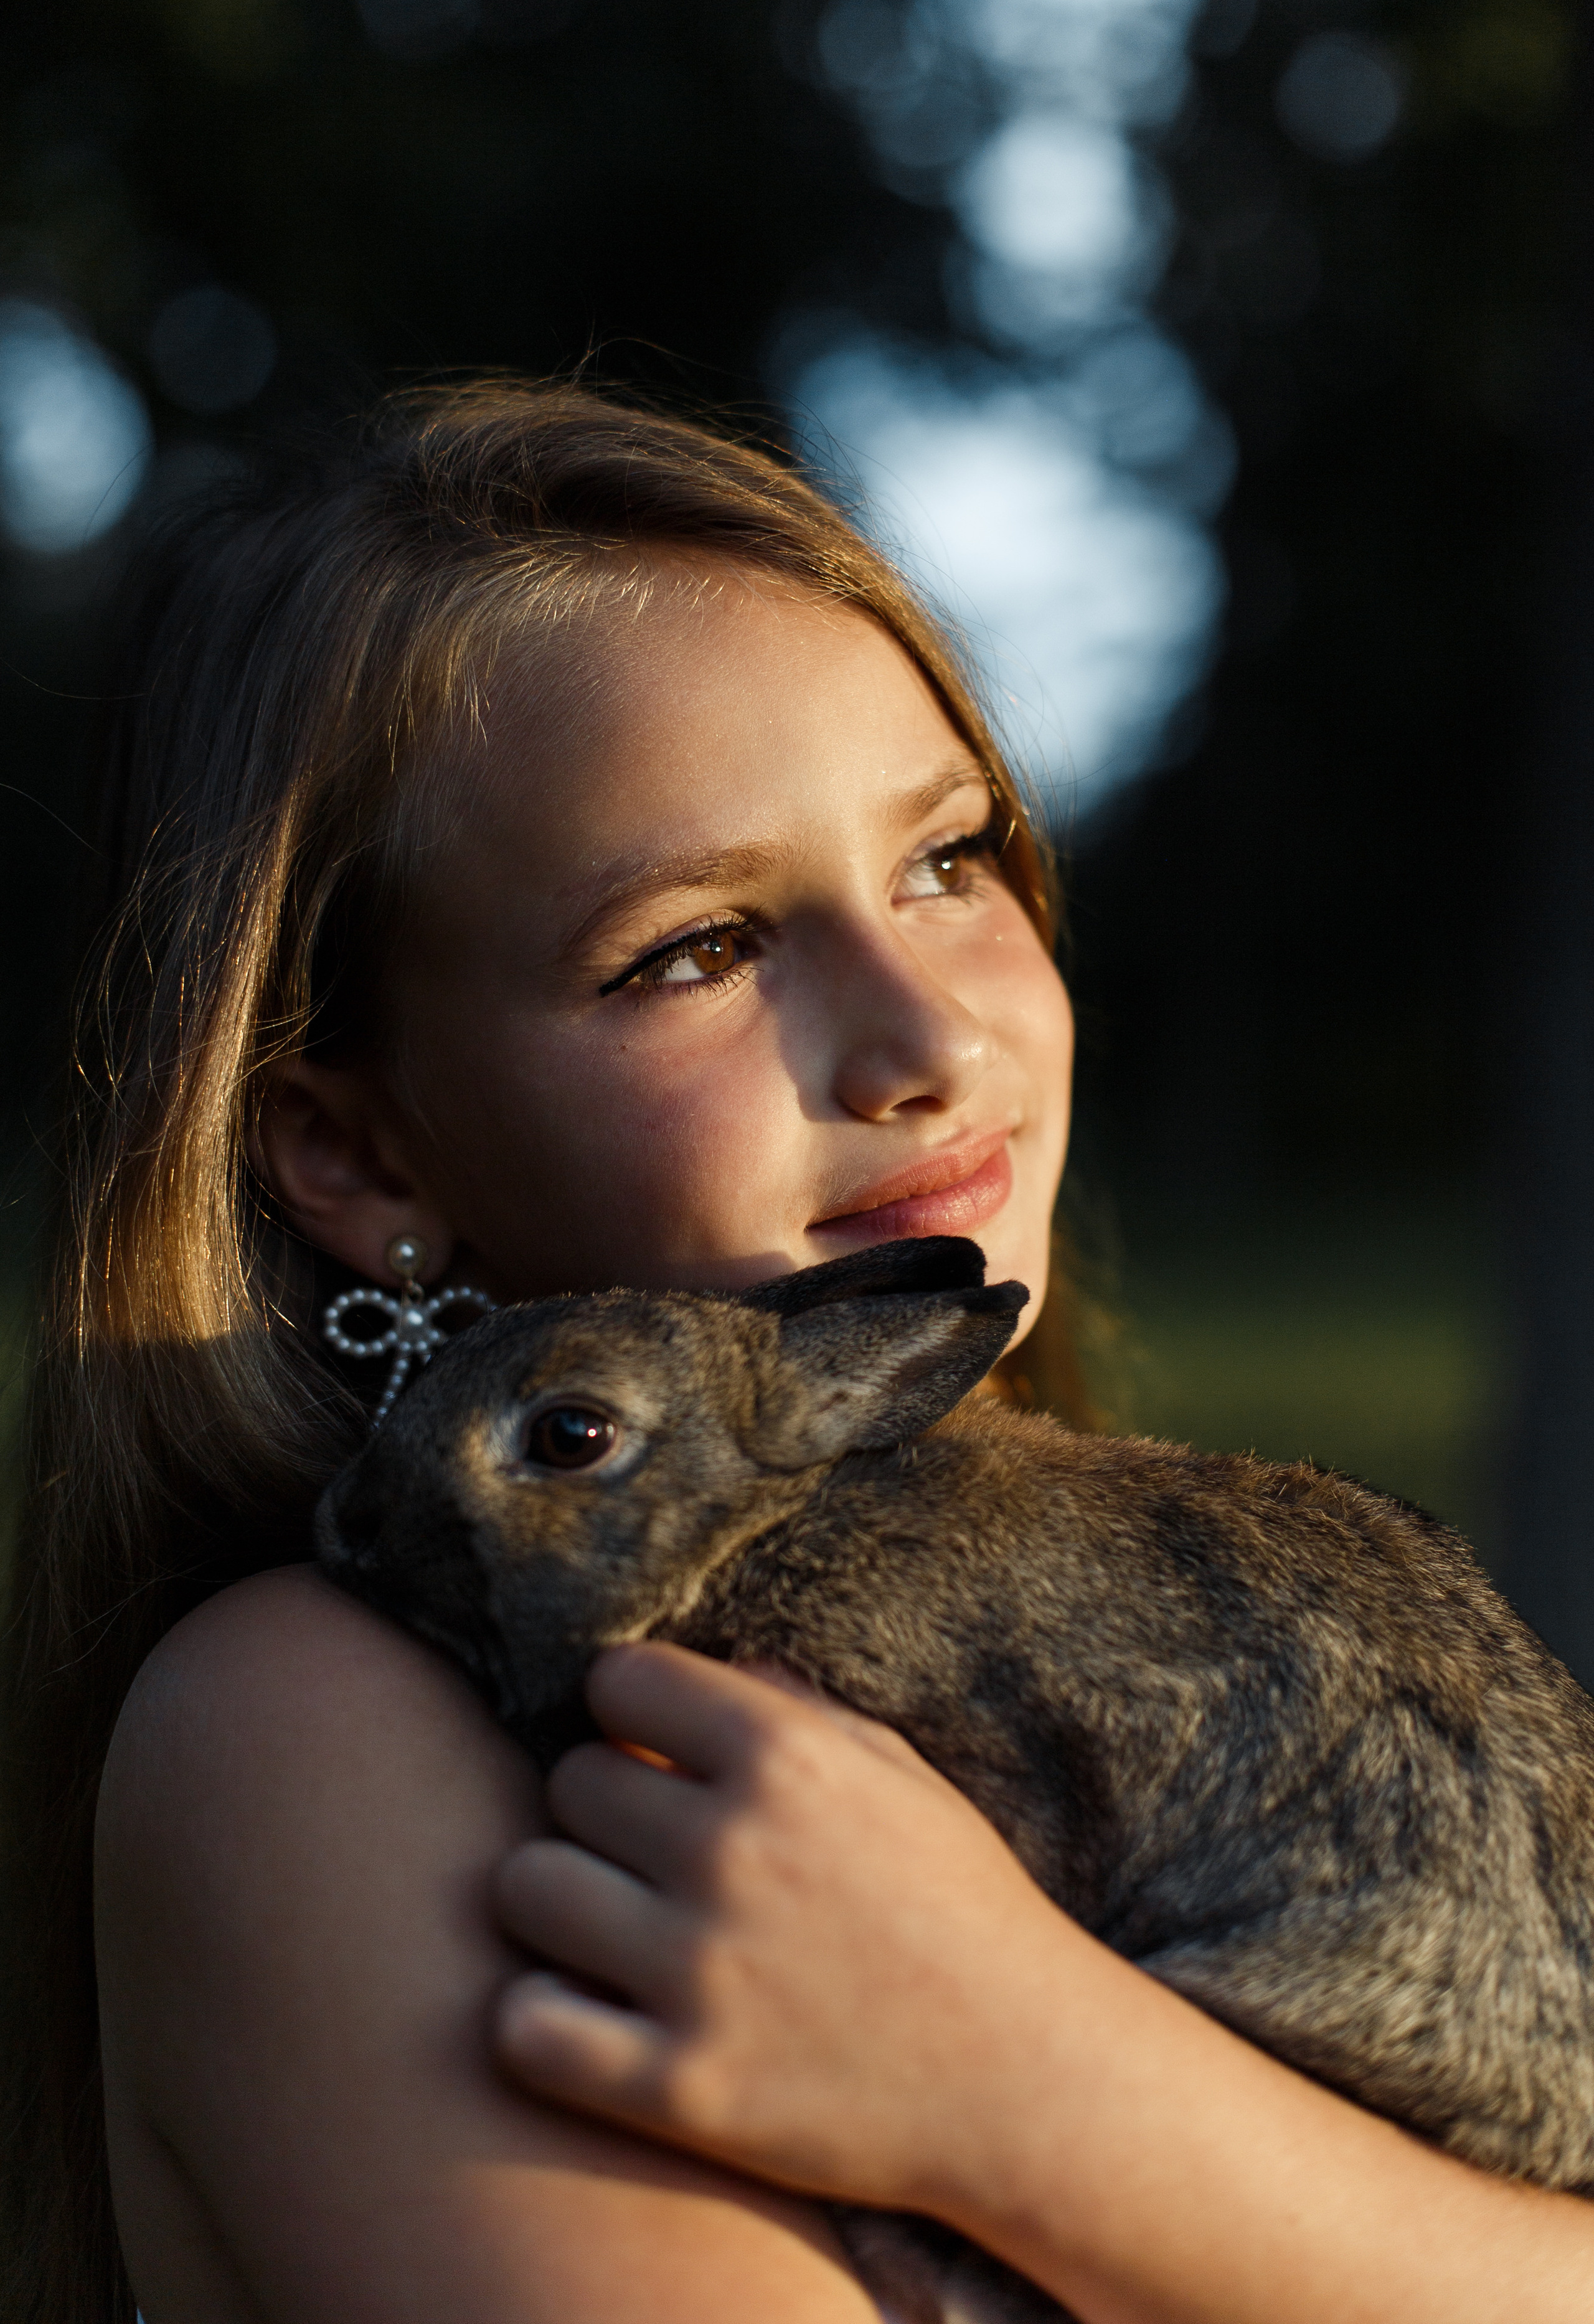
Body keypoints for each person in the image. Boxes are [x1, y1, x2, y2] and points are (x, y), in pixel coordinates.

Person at [4, 379, 1591, 2324]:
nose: (923, 1036)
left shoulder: (1108, 1592)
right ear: (359, 1147)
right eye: (695, 948)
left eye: (950, 859)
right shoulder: (310, 1734)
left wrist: (1037, 2092)